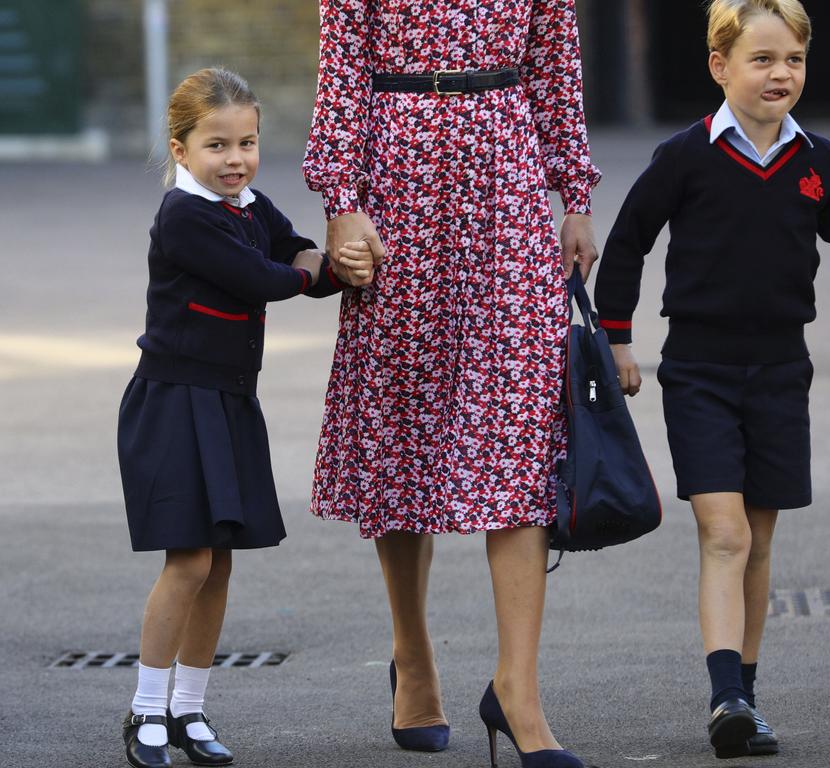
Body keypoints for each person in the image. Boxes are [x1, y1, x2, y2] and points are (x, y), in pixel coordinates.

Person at [594, 0, 830, 759]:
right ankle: (724, 694)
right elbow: (627, 243)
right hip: (697, 370)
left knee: (758, 541)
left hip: (781, 372)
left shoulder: (816, 161)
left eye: (792, 59)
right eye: (761, 59)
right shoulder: (685, 156)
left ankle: (744, 700)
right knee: (723, 532)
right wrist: (619, 342)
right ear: (719, 66)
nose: (780, 73)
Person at [302, 2, 600, 766]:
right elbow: (342, 68)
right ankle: (414, 658)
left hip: (509, 174)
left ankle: (518, 692)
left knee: (524, 429)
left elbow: (556, 63)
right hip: (397, 178)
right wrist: (342, 205)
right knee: (401, 422)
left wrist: (577, 199)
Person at [117, 68, 368, 768]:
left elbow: (287, 246)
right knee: (188, 559)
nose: (235, 159)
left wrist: (317, 262)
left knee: (219, 563)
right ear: (181, 149)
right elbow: (268, 277)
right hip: (175, 402)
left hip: (228, 400)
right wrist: (332, 268)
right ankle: (145, 714)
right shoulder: (185, 216)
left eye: (248, 142)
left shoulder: (248, 205)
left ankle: (189, 711)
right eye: (217, 145)